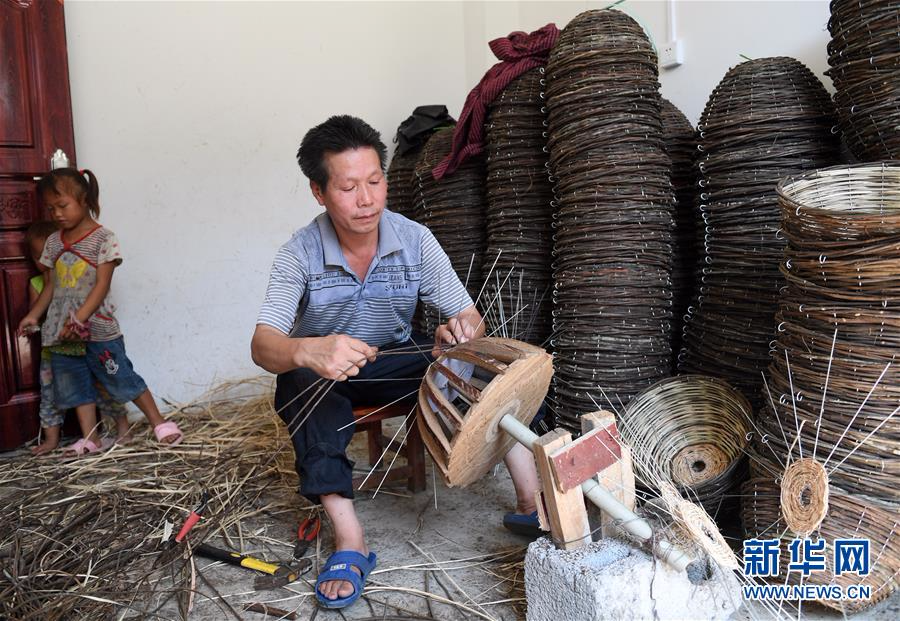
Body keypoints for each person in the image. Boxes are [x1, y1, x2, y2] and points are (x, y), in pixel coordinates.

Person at [251, 115, 541, 610]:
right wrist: (308, 349)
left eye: (374, 181)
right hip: (328, 377)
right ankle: (351, 540)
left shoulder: (414, 239)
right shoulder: (298, 253)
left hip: (398, 366)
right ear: (319, 193)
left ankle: (532, 505)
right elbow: (262, 345)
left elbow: (466, 313)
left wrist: (461, 332)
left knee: (476, 361)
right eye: (348, 187)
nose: (366, 199)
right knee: (296, 380)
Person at [18, 168, 183, 456]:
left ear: (85, 200)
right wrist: (34, 315)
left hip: (98, 330)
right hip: (62, 331)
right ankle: (91, 438)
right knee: (76, 386)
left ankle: (159, 423)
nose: (56, 214)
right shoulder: (54, 242)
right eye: (51, 208)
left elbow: (102, 285)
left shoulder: (103, 239)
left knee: (121, 376)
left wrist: (79, 317)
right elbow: (50, 287)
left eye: (63, 205)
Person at [24, 221, 133, 455]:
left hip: (87, 343)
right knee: (52, 394)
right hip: (53, 349)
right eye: (37, 257)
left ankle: (123, 428)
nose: (44, 264)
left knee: (104, 385)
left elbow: (98, 295)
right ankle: (53, 439)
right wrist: (34, 319)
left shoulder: (84, 278)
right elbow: (39, 312)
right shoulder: (38, 284)